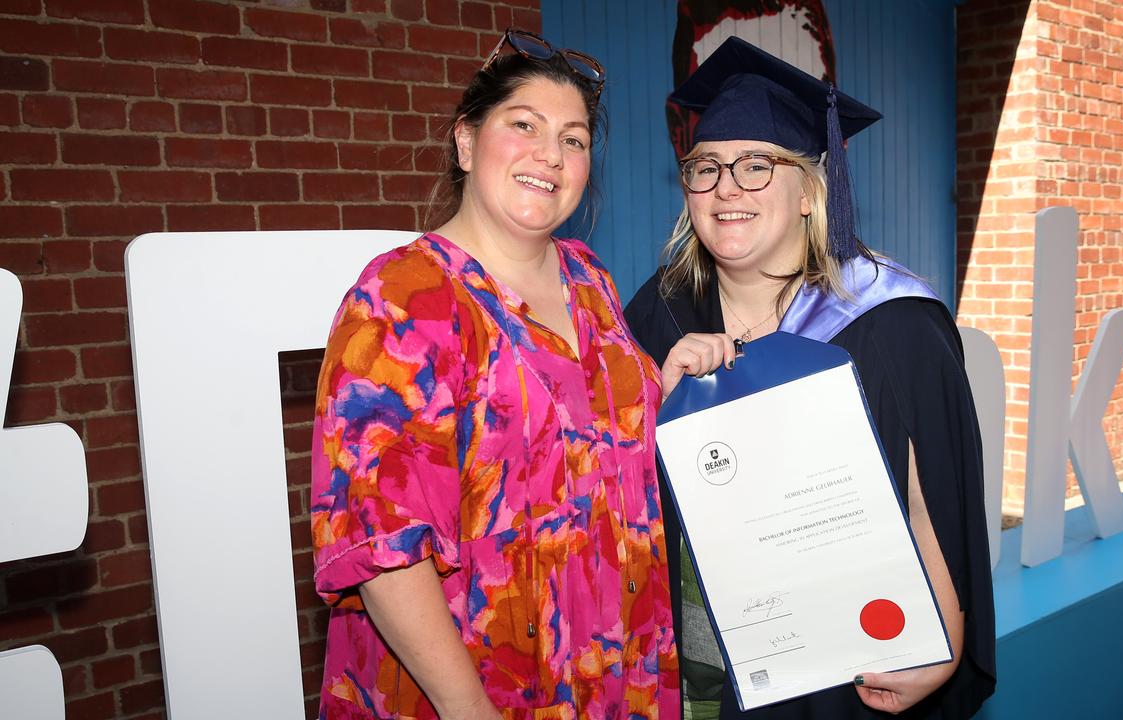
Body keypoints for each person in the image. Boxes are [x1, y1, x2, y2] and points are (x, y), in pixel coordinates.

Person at [624, 37, 996, 720]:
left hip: (846, 656)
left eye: (757, 165)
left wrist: (939, 643)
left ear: (809, 191)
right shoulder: (659, 312)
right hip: (698, 655)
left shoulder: (889, 320)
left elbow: (932, 500)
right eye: (705, 168)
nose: (726, 187)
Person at [311, 29, 678, 719]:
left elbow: (605, 436)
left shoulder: (588, 278)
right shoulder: (404, 298)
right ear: (466, 142)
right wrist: (466, 709)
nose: (552, 153)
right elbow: (384, 545)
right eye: (524, 125)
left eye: (574, 138)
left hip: (611, 657)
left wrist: (673, 380)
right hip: (473, 680)